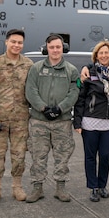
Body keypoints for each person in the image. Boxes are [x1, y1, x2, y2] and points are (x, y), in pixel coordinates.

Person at [24, 34, 80, 203]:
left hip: (62, 121)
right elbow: (30, 90)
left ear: (63, 48)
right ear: (46, 48)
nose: (55, 50)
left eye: (58, 47)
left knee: (62, 155)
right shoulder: (36, 68)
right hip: (39, 120)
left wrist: (60, 108)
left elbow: (74, 92)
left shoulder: (71, 70)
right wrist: (43, 108)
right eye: (52, 47)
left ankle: (60, 187)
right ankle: (37, 187)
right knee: (37, 155)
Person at [0, 29, 33, 204]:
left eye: (20, 42)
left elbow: (32, 91)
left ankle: (17, 187)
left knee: (19, 155)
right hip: (0, 120)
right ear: (6, 42)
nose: (16, 45)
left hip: (20, 119)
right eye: (13, 42)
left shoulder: (28, 65)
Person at [73, 41, 109, 202]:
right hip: (90, 121)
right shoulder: (89, 73)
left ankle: (102, 185)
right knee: (90, 156)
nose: (104, 55)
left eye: (106, 53)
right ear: (96, 56)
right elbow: (80, 99)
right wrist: (77, 122)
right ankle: (93, 187)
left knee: (105, 155)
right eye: (101, 53)